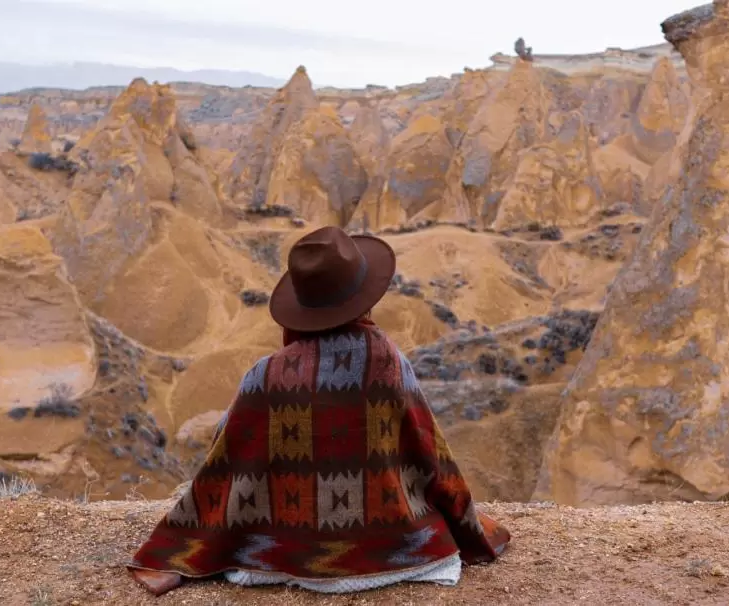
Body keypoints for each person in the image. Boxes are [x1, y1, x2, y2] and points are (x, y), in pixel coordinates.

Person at [127, 226, 510, 596]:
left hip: (282, 559)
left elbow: (225, 468)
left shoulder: (263, 377)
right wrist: (465, 522)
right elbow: (429, 451)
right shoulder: (388, 362)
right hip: (397, 556)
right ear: (364, 297)